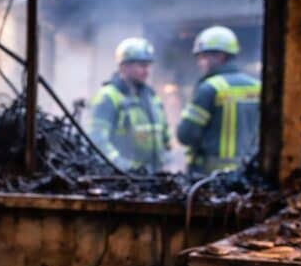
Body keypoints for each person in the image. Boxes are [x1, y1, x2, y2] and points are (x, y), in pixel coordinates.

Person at [177, 26, 261, 174]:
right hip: (249, 173)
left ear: (220, 56)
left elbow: (186, 134)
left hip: (210, 177)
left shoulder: (210, 88)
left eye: (203, 57)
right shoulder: (258, 87)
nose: (200, 63)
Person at [88, 37, 170, 172]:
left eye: (148, 65)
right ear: (124, 67)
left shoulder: (151, 97)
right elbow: (96, 140)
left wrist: (167, 159)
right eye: (141, 66)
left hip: (152, 179)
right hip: (122, 180)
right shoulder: (108, 97)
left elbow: (164, 136)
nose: (146, 71)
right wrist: (122, 166)